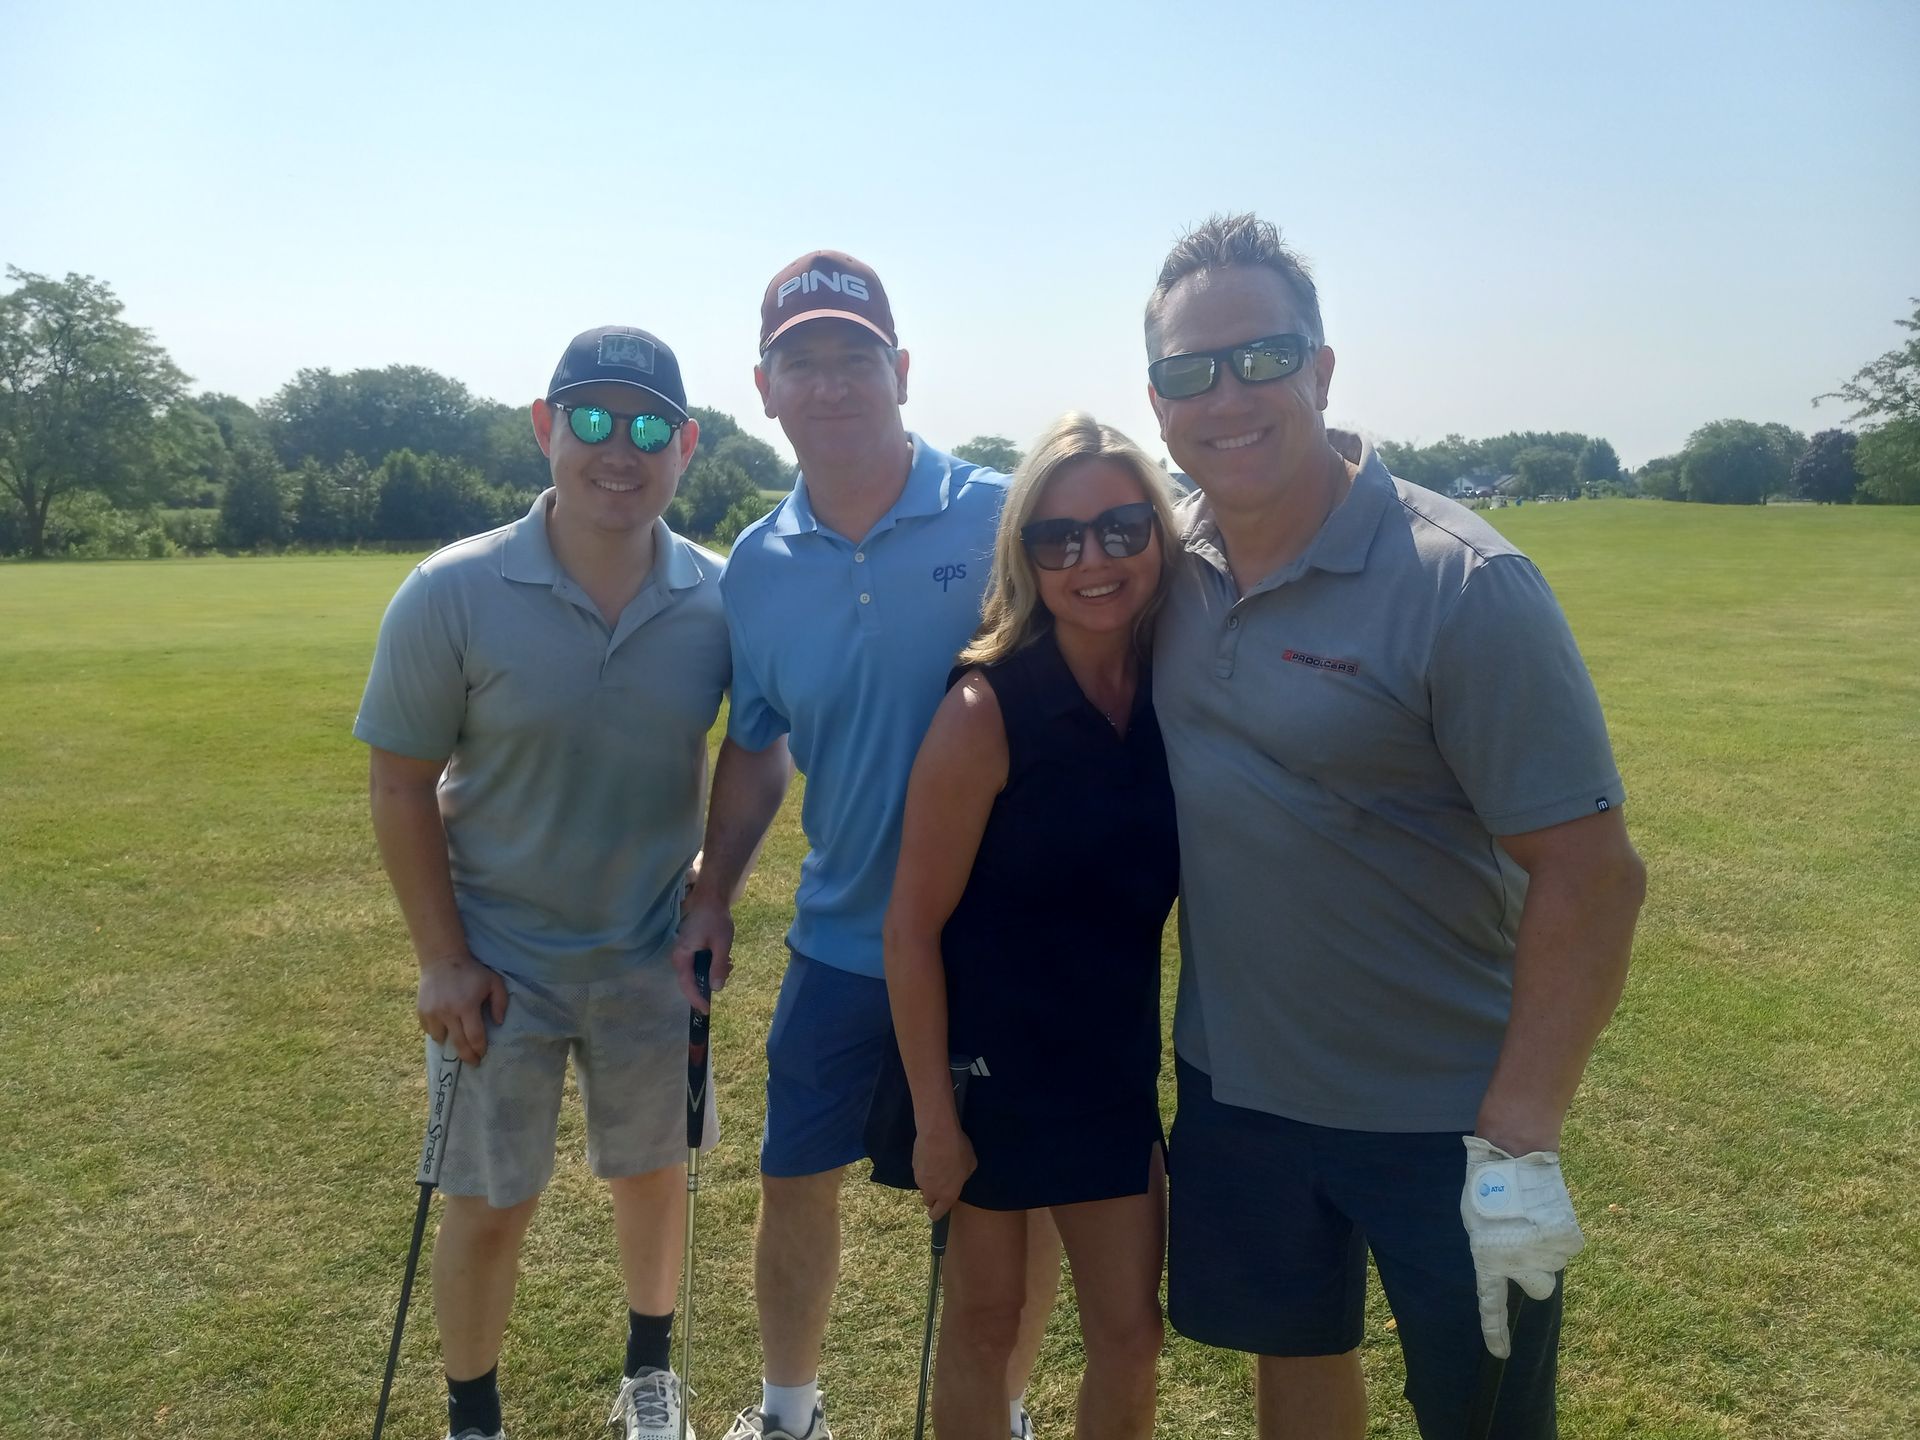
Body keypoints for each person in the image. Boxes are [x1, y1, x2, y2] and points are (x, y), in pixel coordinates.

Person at [1142, 214, 1647, 1439]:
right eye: (1187, 372)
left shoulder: (1463, 583)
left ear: (1321, 369)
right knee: (1295, 1372)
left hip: (1446, 1117)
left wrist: (1521, 1136)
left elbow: (1592, 874)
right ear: (1157, 402)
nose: (1228, 396)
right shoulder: (1167, 568)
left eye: (1263, 357)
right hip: (1239, 1090)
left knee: (1482, 1419)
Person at [667, 251, 1058, 1440]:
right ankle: (791, 1413)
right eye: (802, 363)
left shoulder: (1002, 514)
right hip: (842, 936)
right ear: (763, 388)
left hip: (1001, 941)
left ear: (899, 371)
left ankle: (1009, 1412)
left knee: (1007, 1199)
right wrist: (713, 888)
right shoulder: (757, 567)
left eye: (852, 358)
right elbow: (757, 742)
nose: (829, 384)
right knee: (794, 1181)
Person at [355, 326, 727, 1440]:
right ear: (545, 427)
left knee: (654, 1176)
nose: (622, 449)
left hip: (652, 957)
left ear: (687, 445)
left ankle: (650, 1379)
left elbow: (758, 749)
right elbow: (399, 785)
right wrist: (440, 957)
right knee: (488, 1203)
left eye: (650, 426)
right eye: (595, 420)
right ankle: (475, 1415)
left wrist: (714, 888)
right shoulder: (450, 591)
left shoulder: (719, 598)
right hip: (498, 967)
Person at [876, 413, 1180, 1440]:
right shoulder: (984, 708)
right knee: (985, 1322)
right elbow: (911, 930)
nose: (1092, 559)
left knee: (1132, 1335)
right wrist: (932, 1120)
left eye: (1120, 528)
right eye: (1059, 540)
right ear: (1027, 557)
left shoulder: (1178, 690)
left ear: (1158, 534)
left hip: (1111, 1072)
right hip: (985, 1078)